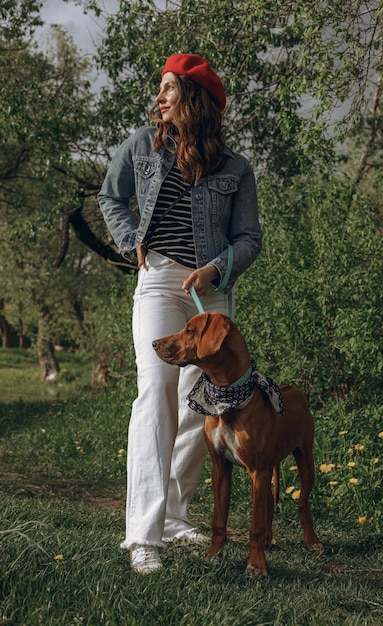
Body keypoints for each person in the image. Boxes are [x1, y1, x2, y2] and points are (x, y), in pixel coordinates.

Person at [98, 53, 262, 574]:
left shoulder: (235, 168)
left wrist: (216, 269)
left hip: (208, 291)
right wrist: (131, 243)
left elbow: (249, 238)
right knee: (155, 393)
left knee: (200, 405)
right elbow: (111, 196)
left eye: (171, 88)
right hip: (160, 282)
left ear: (195, 99)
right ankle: (144, 536)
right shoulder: (142, 146)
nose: (161, 96)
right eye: (161, 87)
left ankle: (174, 515)